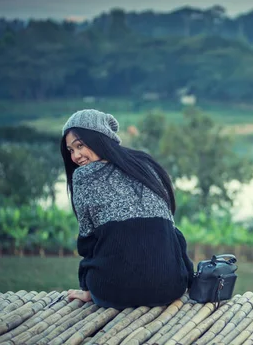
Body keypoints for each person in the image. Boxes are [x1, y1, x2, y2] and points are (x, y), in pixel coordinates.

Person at [59, 109, 195, 309]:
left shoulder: (83, 177)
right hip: (171, 288)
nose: (76, 156)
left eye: (80, 146)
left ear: (98, 139)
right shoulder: (143, 165)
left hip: (114, 293)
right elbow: (171, 233)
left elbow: (87, 242)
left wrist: (88, 290)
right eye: (70, 150)